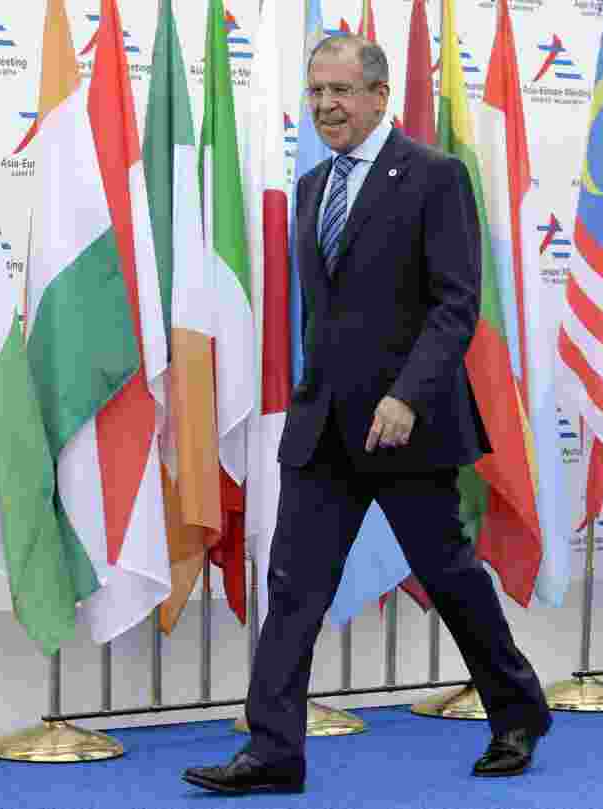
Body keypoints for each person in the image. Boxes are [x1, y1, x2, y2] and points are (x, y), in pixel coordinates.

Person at [183, 34, 552, 796]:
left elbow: (456, 304)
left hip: (406, 427)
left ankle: (517, 711)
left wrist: (407, 394)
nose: (326, 105)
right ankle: (274, 750)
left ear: (380, 96)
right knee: (292, 586)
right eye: (316, 91)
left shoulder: (436, 177)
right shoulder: (312, 186)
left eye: (341, 91)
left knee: (451, 577)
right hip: (324, 428)